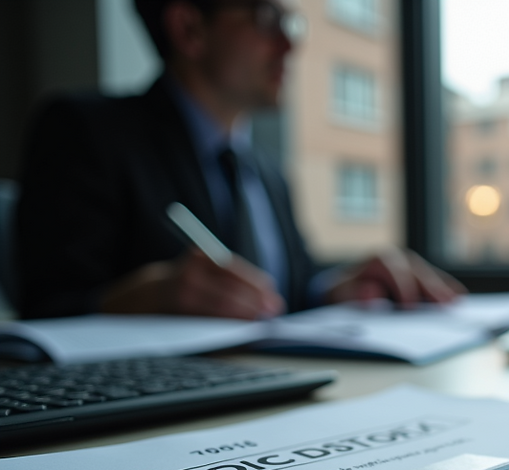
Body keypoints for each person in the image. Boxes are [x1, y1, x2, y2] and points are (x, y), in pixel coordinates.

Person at [15, 0, 463, 321]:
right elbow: (47, 306)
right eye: (267, 18)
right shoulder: (86, 131)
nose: (290, 45)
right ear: (190, 28)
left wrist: (334, 287)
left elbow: (282, 293)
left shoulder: (268, 171)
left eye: (291, 23)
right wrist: (143, 299)